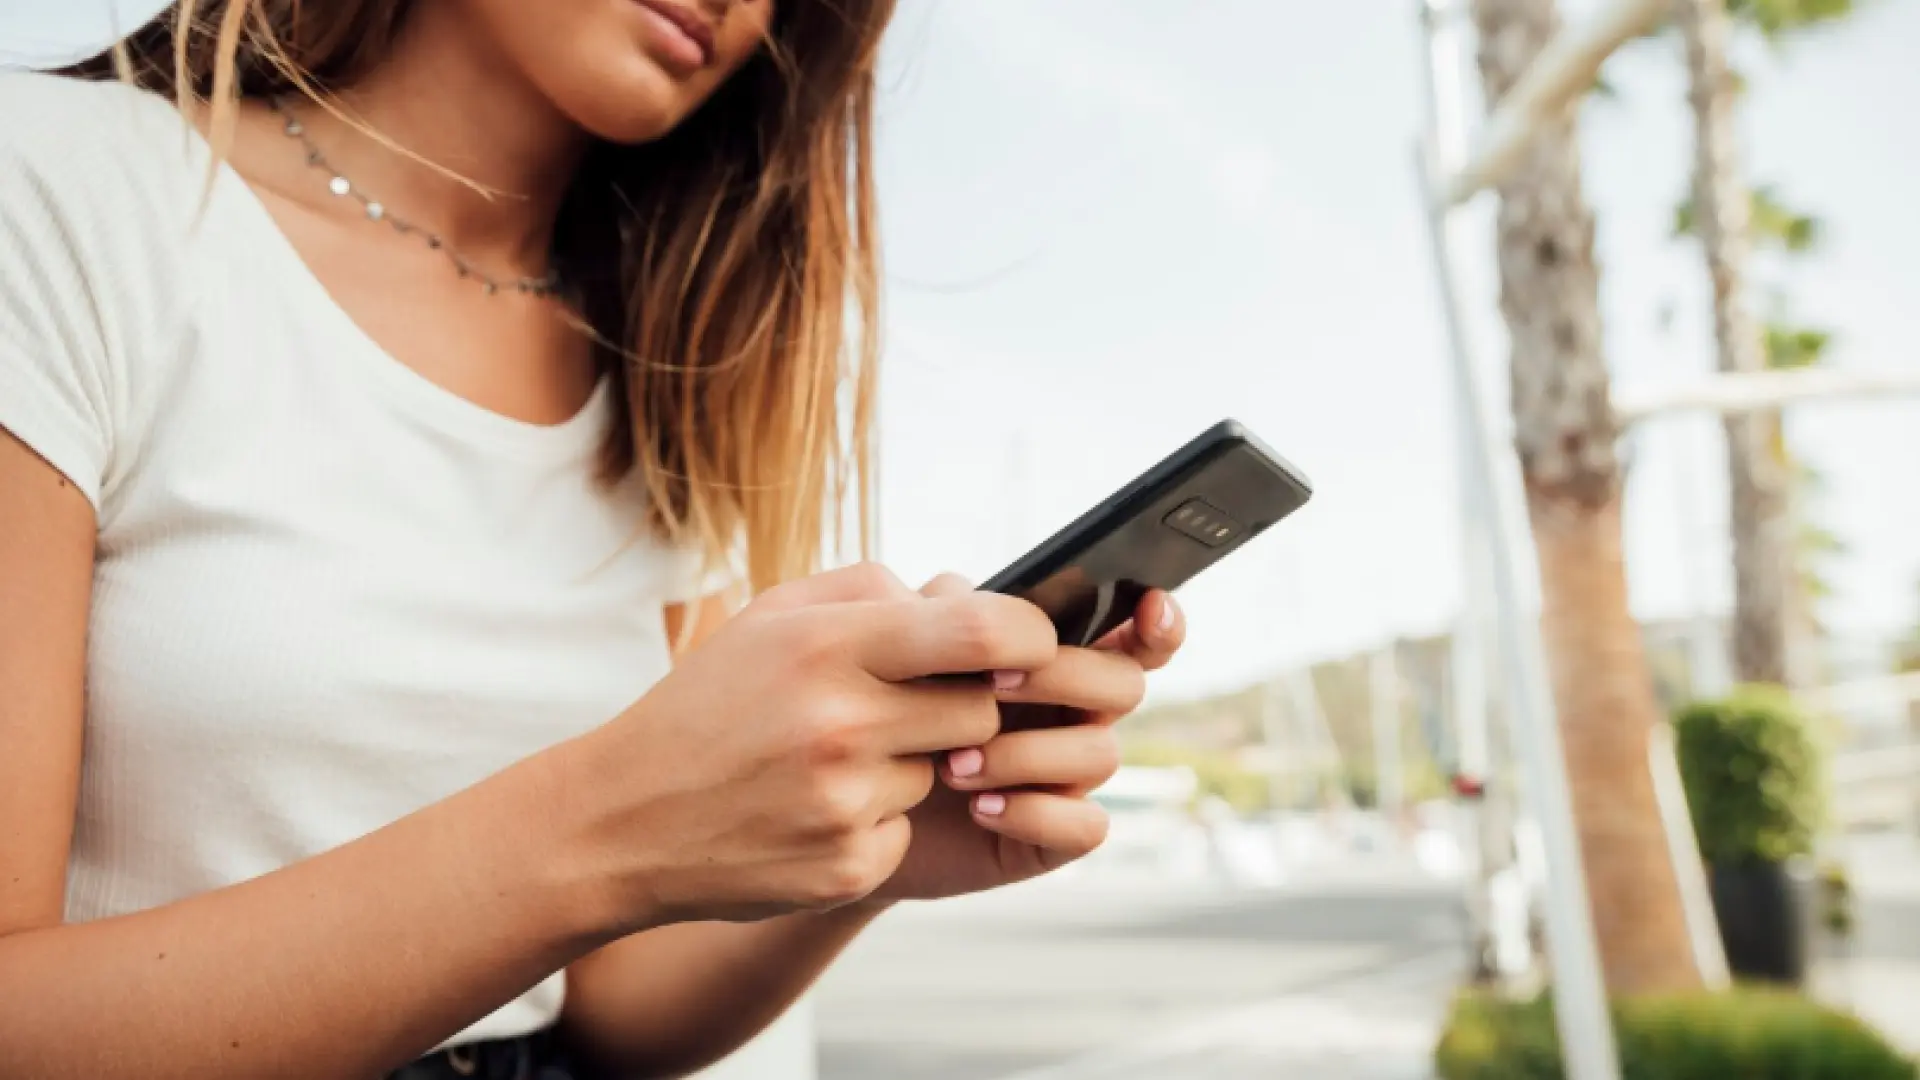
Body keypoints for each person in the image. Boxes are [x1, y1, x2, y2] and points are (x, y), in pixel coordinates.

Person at [0, 2, 1188, 1077]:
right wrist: (605, 821)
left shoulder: (671, 374)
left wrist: (869, 852)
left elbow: (612, 1010)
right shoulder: (59, 187)